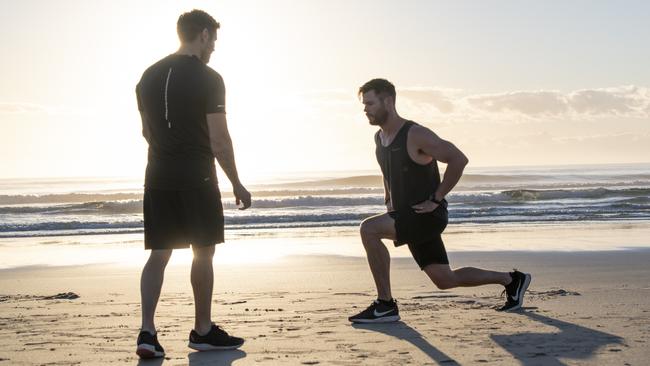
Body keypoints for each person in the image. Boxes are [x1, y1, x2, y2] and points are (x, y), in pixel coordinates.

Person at [349, 78, 531, 323]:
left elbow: (458, 159)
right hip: (407, 216)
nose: (365, 109)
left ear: (388, 101)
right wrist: (388, 199)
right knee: (445, 280)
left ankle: (385, 304)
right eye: (364, 104)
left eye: (370, 103)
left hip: (427, 216)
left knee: (368, 229)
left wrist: (436, 198)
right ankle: (512, 280)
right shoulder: (379, 138)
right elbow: (388, 172)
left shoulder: (415, 134)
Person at [134, 9, 251, 358]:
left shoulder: (147, 76)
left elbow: (146, 131)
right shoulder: (209, 78)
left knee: (159, 254)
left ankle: (147, 332)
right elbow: (219, 141)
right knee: (203, 251)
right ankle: (202, 330)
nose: (214, 46)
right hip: (197, 175)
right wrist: (237, 183)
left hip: (157, 174)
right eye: (213, 39)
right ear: (202, 34)